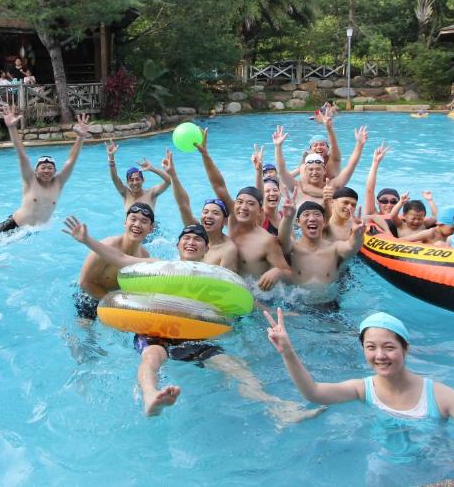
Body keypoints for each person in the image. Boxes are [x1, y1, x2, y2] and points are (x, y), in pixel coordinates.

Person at [64, 216, 319, 424]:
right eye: (186, 238)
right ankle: (151, 396)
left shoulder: (215, 277)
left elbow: (243, 301)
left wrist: (271, 318)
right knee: (152, 357)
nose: (191, 242)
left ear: (207, 249)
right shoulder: (159, 266)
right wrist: (87, 240)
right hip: (156, 328)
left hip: (194, 333)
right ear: (177, 246)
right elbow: (121, 259)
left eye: (198, 239)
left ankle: (278, 409)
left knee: (236, 366)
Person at [265, 310, 454, 485]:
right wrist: (287, 351)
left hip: (439, 466)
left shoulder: (437, 395)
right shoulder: (362, 389)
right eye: (371, 347)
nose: (380, 355)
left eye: (389, 347)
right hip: (387, 469)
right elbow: (313, 392)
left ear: (406, 348)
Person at [197, 129, 290, 289]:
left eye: (250, 204)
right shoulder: (233, 220)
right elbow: (219, 185)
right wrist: (205, 155)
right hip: (228, 288)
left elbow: (288, 272)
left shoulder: (266, 241)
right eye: (239, 202)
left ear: (260, 211)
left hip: (255, 298)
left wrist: (277, 271)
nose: (243, 207)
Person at [0, 105, 91, 233]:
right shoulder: (30, 181)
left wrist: (80, 137)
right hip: (12, 228)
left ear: (55, 171)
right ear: (36, 170)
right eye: (43, 167)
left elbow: (71, 160)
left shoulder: (58, 183)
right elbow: (22, 155)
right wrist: (12, 128)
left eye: (50, 168)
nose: (46, 170)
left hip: (32, 233)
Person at [74, 203, 154, 319]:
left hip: (115, 300)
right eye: (133, 219)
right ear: (125, 222)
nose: (137, 224)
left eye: (144, 221)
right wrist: (116, 303)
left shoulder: (144, 256)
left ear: (151, 228)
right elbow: (84, 282)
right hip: (89, 298)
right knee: (86, 335)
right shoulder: (107, 247)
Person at [276, 190, 364, 288]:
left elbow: (352, 247)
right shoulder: (293, 248)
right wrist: (287, 217)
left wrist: (358, 234)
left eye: (317, 214)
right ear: (298, 222)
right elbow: (283, 238)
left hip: (329, 302)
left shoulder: (334, 248)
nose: (312, 218)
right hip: (297, 301)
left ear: (324, 221)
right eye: (306, 214)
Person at [105, 139, 171, 212]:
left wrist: (153, 169)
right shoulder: (125, 193)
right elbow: (114, 178)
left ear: (143, 180)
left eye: (137, 179)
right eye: (131, 180)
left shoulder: (151, 193)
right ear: (127, 182)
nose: (135, 183)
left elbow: (169, 181)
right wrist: (111, 158)